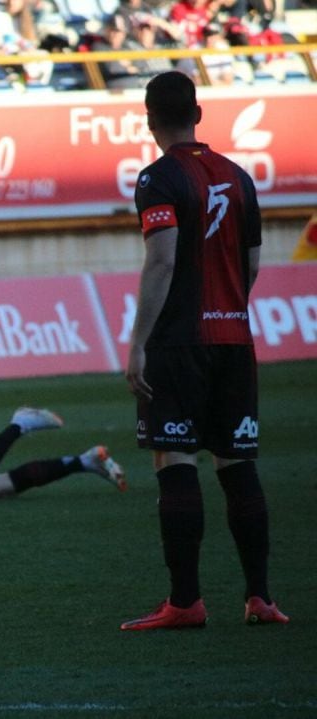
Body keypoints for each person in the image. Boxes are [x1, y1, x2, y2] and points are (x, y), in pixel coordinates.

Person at [122, 71, 288, 631]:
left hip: (180, 343)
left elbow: (163, 261)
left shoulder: (158, 179)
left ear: (149, 119)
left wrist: (138, 342)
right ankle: (260, 598)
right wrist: (228, 310)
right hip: (235, 340)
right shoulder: (239, 178)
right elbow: (253, 265)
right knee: (238, 463)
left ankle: (185, 602)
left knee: (176, 460)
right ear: (198, 113)